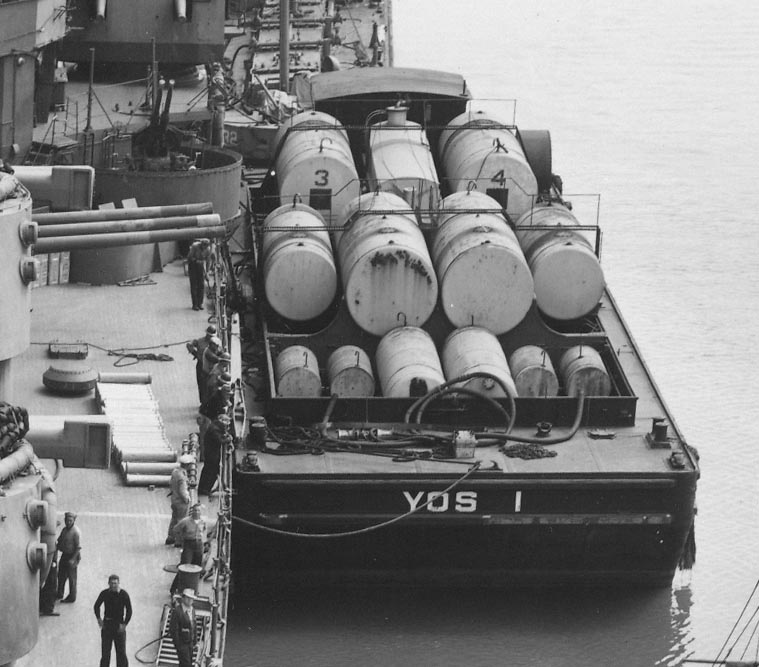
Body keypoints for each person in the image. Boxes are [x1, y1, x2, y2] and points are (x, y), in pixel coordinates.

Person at [93, 574, 132, 667]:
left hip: (119, 626)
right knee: (105, 653)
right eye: (112, 583)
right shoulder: (104, 593)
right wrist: (99, 619)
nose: (113, 585)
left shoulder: (124, 594)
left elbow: (129, 610)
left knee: (121, 653)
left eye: (115, 583)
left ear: (119, 583)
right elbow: (96, 606)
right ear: (108, 583)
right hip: (107, 625)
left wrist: (124, 624)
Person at [198, 414, 230, 496]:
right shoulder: (215, 429)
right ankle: (205, 489)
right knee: (211, 471)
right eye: (226, 422)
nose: (227, 424)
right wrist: (228, 439)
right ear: (221, 420)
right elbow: (220, 440)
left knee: (209, 470)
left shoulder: (214, 427)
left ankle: (204, 488)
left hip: (211, 453)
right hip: (212, 454)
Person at [166, 454, 194, 546]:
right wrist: (187, 499)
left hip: (174, 499)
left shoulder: (175, 472)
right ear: (187, 465)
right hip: (181, 502)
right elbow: (182, 491)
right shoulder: (182, 477)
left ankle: (170, 537)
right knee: (181, 520)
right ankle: (178, 541)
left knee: (174, 518)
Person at [187, 324, 217, 402]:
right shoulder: (200, 341)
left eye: (211, 336)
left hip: (211, 366)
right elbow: (189, 344)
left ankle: (209, 403)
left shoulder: (216, 343)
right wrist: (195, 353)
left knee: (211, 385)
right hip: (201, 365)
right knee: (201, 385)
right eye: (209, 335)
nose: (210, 337)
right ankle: (203, 403)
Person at [56, 510, 81, 602]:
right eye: (67, 520)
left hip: (73, 555)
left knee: (72, 578)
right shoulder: (64, 530)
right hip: (65, 555)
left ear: (74, 521)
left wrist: (73, 559)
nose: (68, 522)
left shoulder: (76, 532)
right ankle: (59, 593)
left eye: (70, 520)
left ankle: (72, 597)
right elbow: (59, 540)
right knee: (61, 575)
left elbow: (78, 547)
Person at [170, 589, 197, 667]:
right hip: (182, 644)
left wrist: (195, 641)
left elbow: (194, 626)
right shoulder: (177, 611)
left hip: (190, 643)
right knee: (187, 664)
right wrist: (178, 645)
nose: (190, 600)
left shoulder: (192, 610)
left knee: (185, 663)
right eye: (188, 598)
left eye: (191, 598)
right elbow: (173, 630)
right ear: (183, 598)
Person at [187, 238, 213, 311]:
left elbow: (208, 261)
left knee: (201, 285)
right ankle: (195, 304)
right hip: (193, 266)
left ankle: (200, 304)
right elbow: (189, 257)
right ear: (201, 244)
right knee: (194, 285)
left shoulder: (208, 249)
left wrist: (207, 272)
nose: (204, 247)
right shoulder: (194, 246)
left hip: (200, 266)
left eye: (206, 246)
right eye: (203, 246)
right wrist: (196, 261)